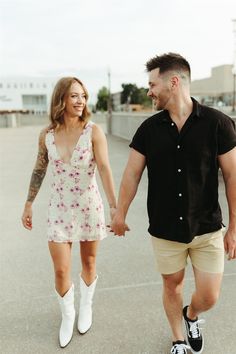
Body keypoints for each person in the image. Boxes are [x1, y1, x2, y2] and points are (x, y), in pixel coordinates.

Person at [111, 53, 236, 354]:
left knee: (210, 296)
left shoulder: (218, 124)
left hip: (207, 228)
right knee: (172, 286)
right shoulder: (148, 130)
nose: (149, 91)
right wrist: (120, 213)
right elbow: (131, 174)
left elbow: (232, 176)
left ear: (174, 82)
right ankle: (178, 339)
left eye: (152, 84)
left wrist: (233, 228)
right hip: (165, 230)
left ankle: (191, 315)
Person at [21, 77, 116, 348]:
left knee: (88, 263)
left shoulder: (93, 131)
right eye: (74, 96)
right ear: (61, 98)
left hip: (89, 207)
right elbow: (39, 169)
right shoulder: (47, 135)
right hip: (58, 211)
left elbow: (106, 168)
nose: (80, 101)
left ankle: (86, 306)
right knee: (61, 270)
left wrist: (113, 206)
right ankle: (68, 315)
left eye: (83, 96)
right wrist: (29, 203)